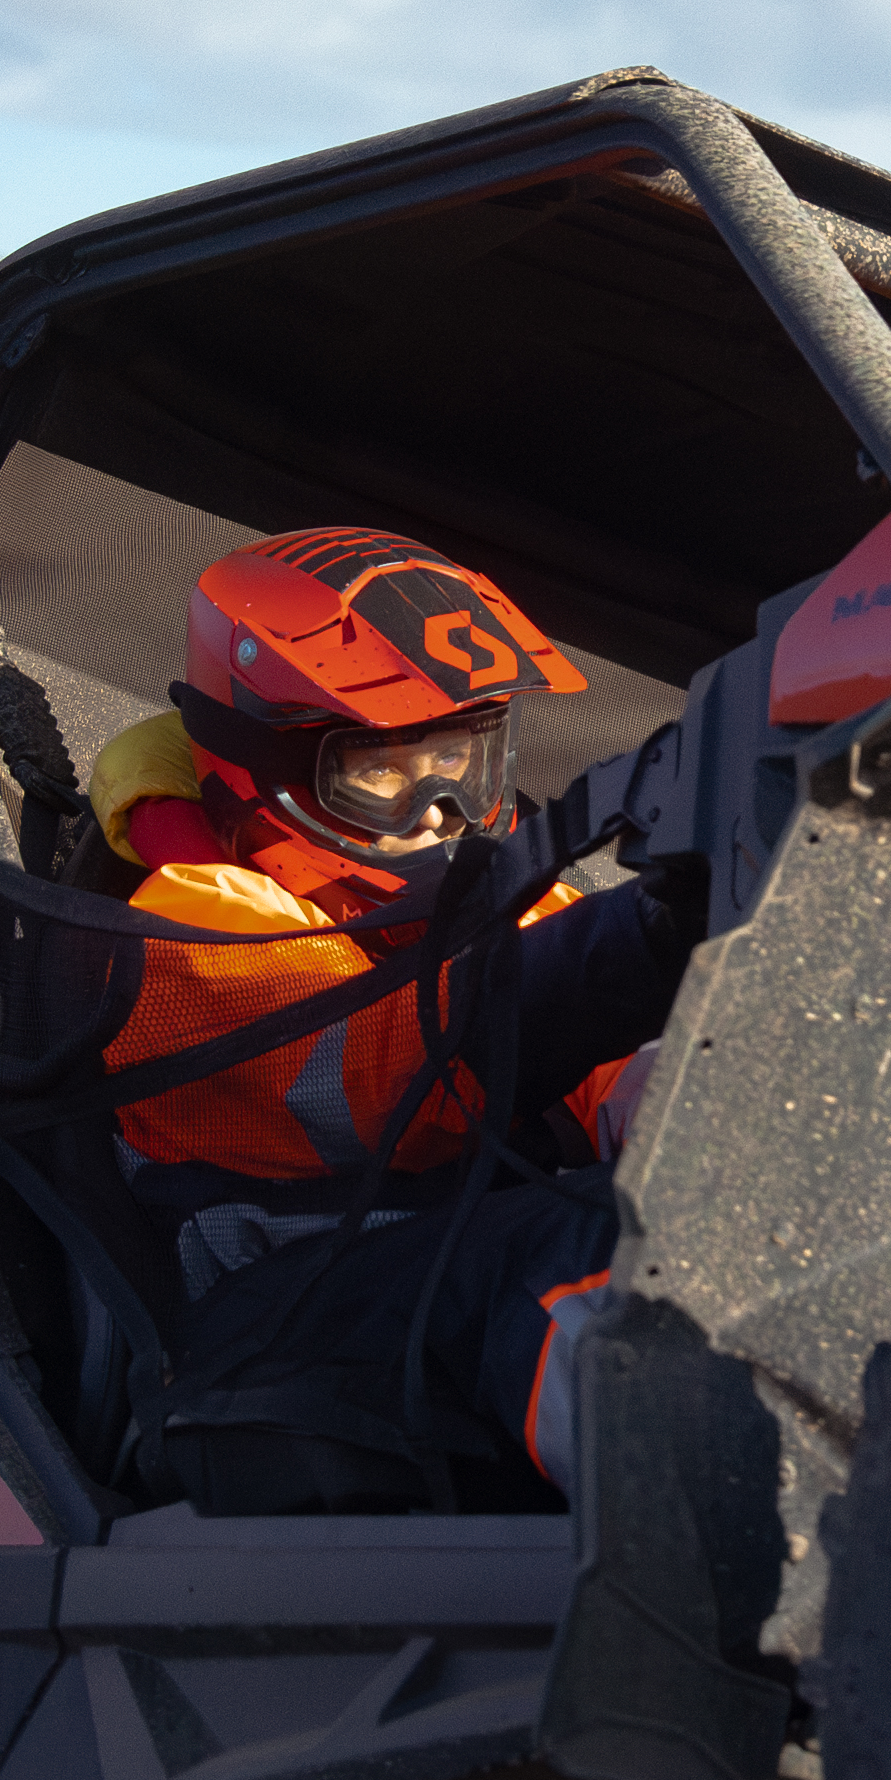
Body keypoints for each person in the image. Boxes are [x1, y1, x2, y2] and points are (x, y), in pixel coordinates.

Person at [83, 525, 693, 1511]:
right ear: (258, 764)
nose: (440, 810)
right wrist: (650, 932)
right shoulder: (188, 925)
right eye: (381, 772)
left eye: (460, 758)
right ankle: (747, 1554)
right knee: (599, 1248)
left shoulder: (501, 903)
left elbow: (636, 1077)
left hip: (436, 1293)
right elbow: (392, 1068)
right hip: (272, 1331)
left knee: (723, 1197)